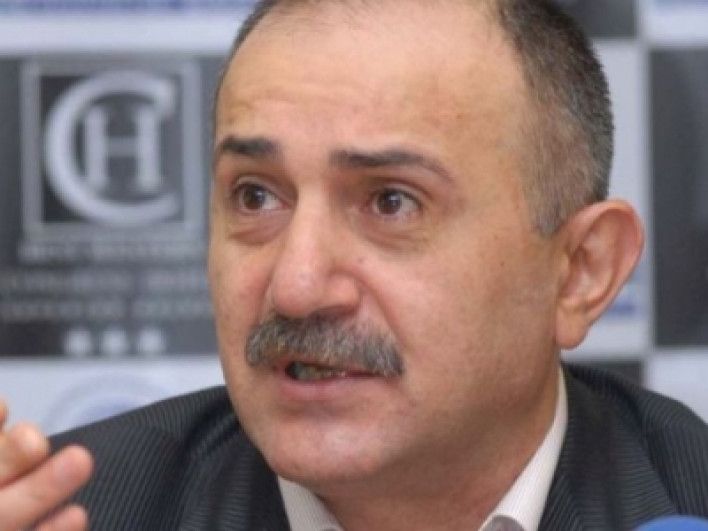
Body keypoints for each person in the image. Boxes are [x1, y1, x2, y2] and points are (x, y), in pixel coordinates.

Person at [1, 0, 707, 529]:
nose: (297, 286)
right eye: (256, 196)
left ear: (581, 271)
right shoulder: (72, 514)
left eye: (391, 202)